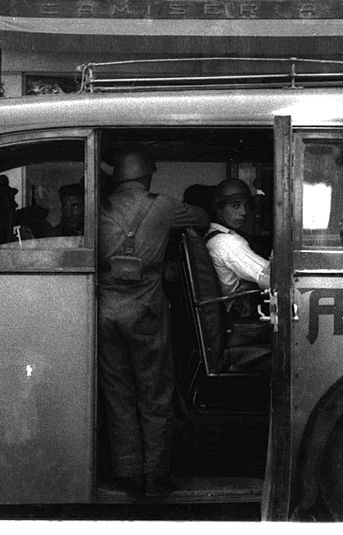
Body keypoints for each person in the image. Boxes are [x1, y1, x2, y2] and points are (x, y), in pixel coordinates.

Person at [98, 143, 209, 498]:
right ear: (146, 174)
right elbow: (203, 219)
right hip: (146, 309)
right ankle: (155, 474)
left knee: (118, 394)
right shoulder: (162, 206)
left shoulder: (97, 207)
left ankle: (127, 472)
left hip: (106, 308)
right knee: (155, 392)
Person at [204, 178, 270, 317]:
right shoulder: (227, 243)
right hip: (242, 314)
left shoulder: (213, 235)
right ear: (219, 209)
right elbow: (269, 278)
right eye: (235, 206)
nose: (244, 212)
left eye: (246, 206)